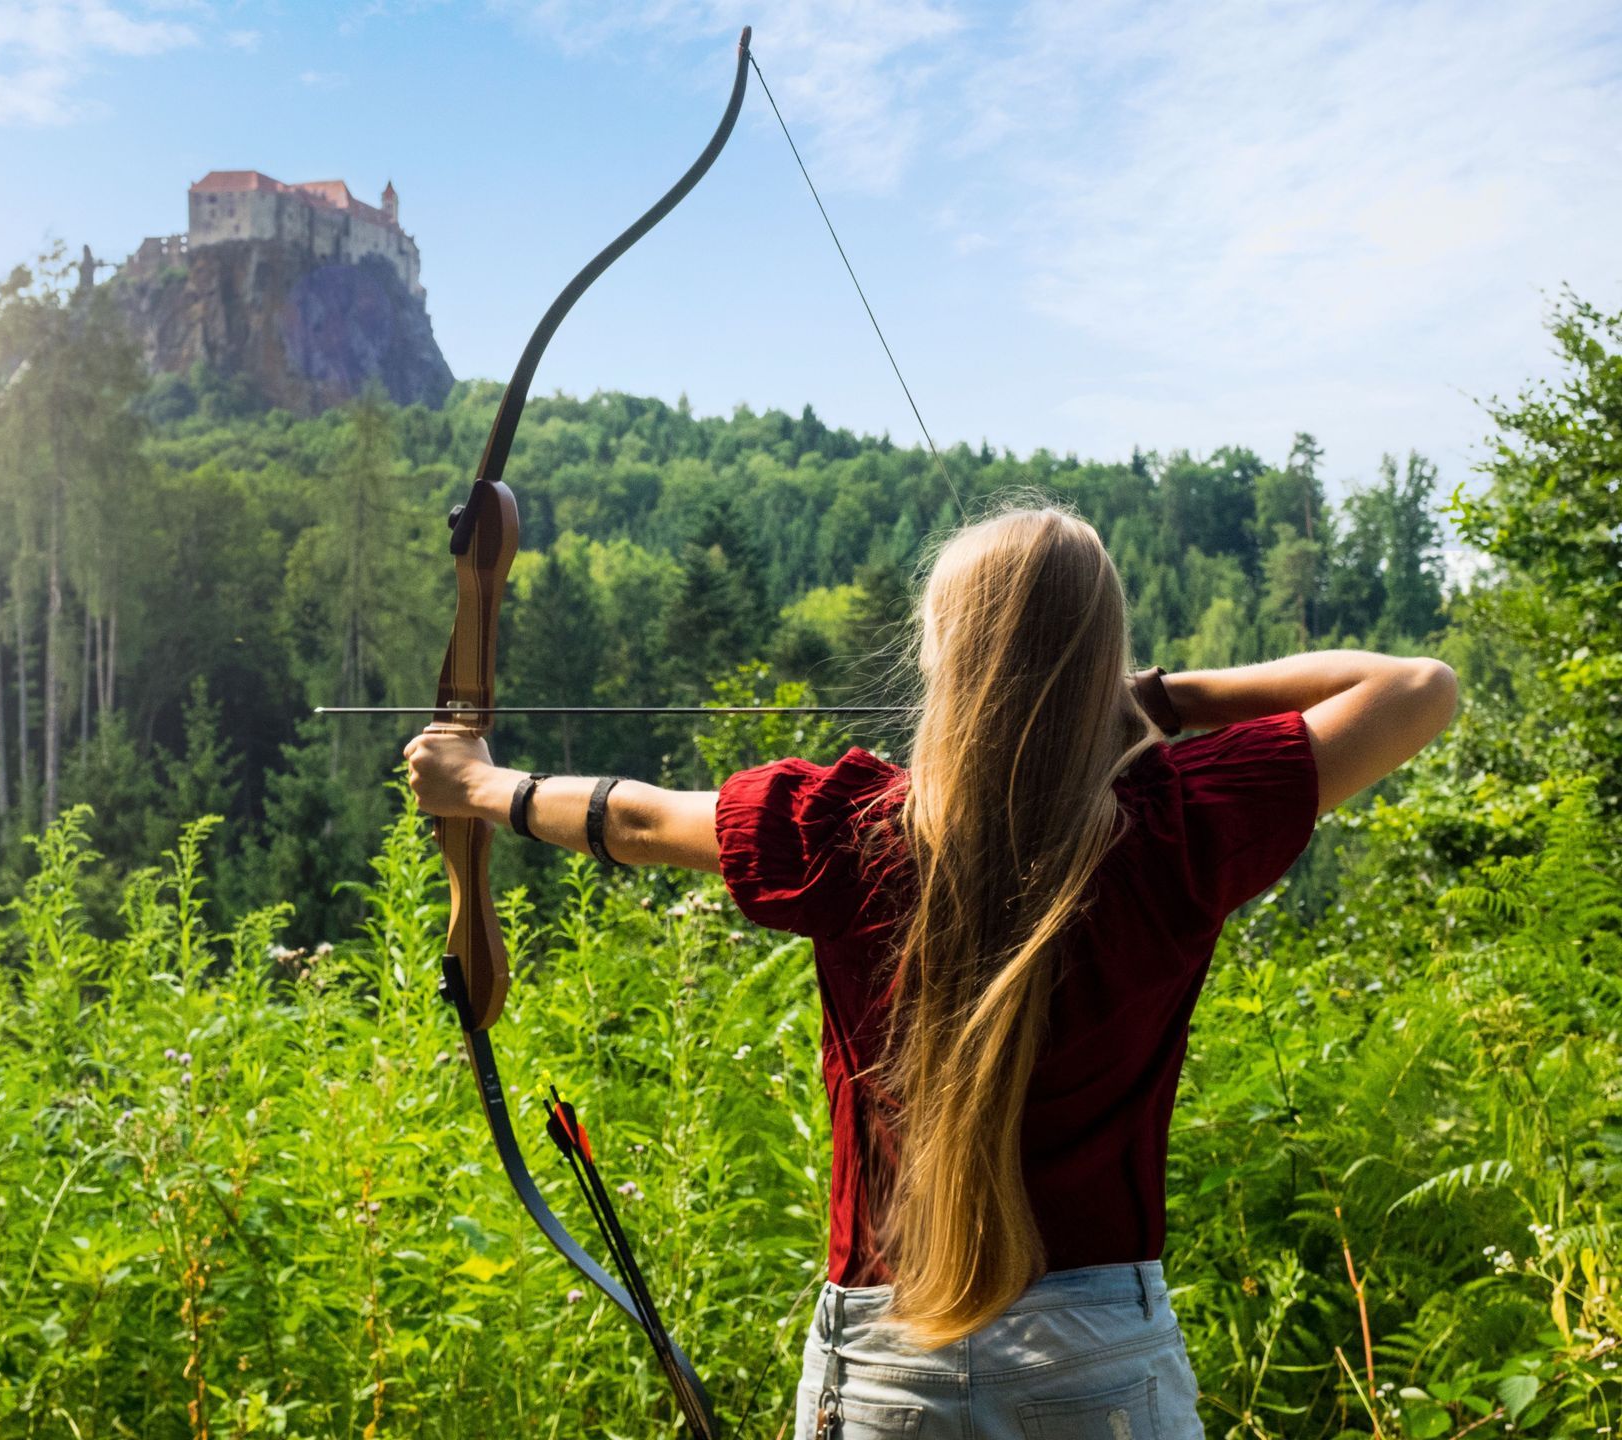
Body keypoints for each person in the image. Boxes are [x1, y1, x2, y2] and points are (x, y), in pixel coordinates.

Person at [404, 504, 1457, 1438]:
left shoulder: (843, 831)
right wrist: (1150, 698)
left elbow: (634, 821)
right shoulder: (1178, 825)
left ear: (941, 654)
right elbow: (1416, 687)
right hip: (1099, 1362)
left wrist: (481, 786)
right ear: (1105, 656)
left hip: (886, 1357)